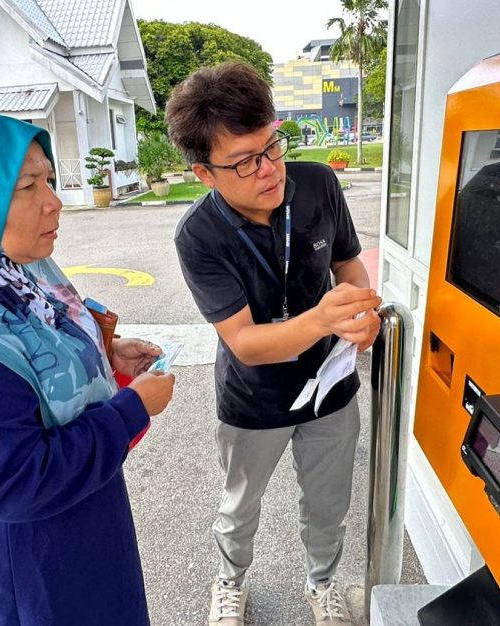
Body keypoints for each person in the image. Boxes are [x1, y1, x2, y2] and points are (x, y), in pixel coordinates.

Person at [0, 113, 175, 626]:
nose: (54, 200)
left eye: (48, 179)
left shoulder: (12, 278)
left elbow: (36, 369)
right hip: (23, 579)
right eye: (26, 186)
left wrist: (105, 362)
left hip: (79, 534)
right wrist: (131, 409)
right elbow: (18, 484)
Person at [167, 62, 381, 626]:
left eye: (273, 147)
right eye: (244, 162)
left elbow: (348, 264)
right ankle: (230, 581)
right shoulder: (198, 236)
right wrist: (324, 317)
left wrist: (361, 311)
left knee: (328, 503)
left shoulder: (317, 184)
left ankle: (323, 582)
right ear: (205, 173)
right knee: (239, 507)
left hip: (330, 387)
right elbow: (246, 343)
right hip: (253, 398)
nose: (269, 170)